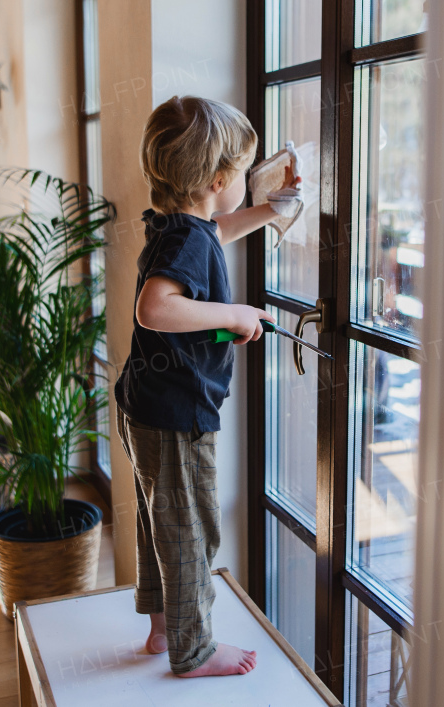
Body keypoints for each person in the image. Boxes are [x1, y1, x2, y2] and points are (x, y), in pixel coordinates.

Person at [114, 95, 301, 678]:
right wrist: (233, 314)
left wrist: (268, 212)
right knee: (190, 527)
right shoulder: (188, 241)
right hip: (174, 414)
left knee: (160, 521)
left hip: (144, 402)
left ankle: (163, 625)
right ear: (220, 178)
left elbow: (216, 230)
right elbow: (156, 307)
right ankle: (192, 651)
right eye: (244, 172)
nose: (247, 180)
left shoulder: (180, 226)